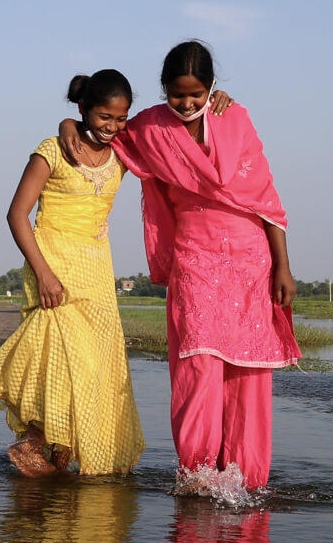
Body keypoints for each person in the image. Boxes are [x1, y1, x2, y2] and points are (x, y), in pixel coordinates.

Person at [60, 41, 299, 491]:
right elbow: (107, 132)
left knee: (248, 372)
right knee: (197, 368)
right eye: (177, 94)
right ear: (163, 90)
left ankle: (246, 481)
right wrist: (69, 120)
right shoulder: (151, 127)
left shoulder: (234, 118)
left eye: (196, 94)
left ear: (211, 88)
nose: (187, 104)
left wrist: (282, 267)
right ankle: (198, 476)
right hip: (194, 258)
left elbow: (267, 199)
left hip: (250, 258)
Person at [0, 69, 146, 476]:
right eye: (104, 117)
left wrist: (218, 100)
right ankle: (32, 445)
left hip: (96, 273)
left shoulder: (124, 150)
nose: (113, 127)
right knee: (63, 361)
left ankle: (57, 459)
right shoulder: (52, 151)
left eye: (121, 118)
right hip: (53, 268)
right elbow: (17, 214)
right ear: (83, 109)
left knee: (96, 369)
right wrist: (43, 274)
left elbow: (169, 127)